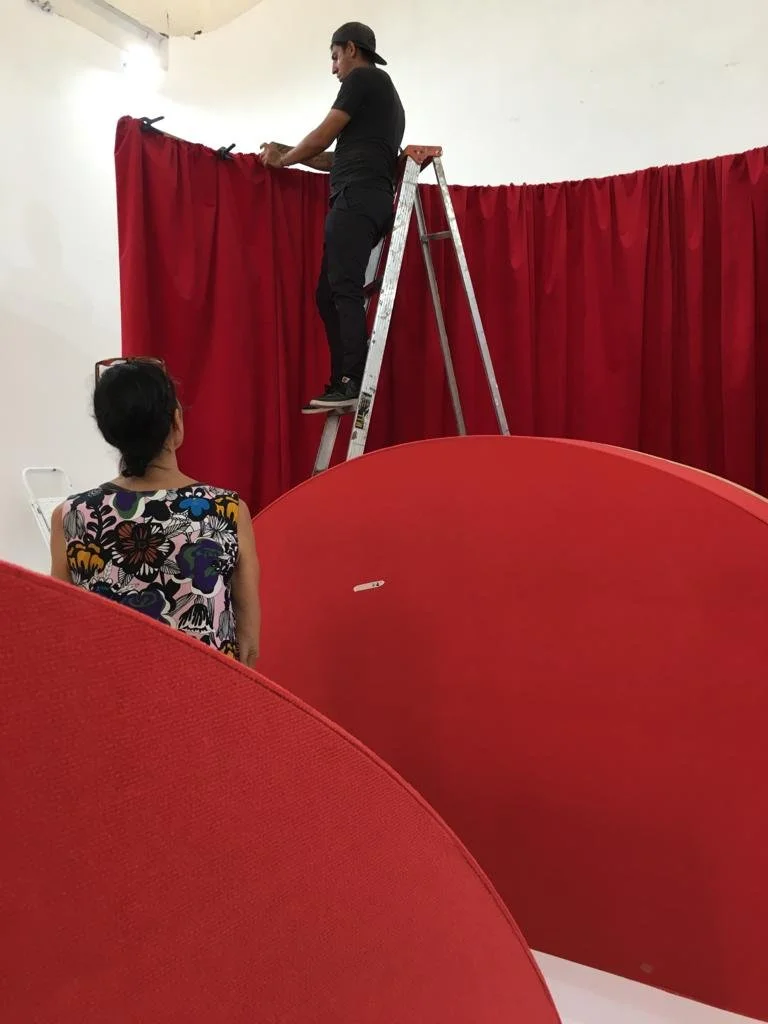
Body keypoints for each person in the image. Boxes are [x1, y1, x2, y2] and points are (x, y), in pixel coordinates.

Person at [49, 357, 261, 667]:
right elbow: (248, 645)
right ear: (175, 422)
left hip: (110, 704)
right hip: (206, 704)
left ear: (110, 432)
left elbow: (61, 635)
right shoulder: (226, 511)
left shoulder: (71, 516)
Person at [260, 22, 406, 411]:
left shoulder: (362, 81)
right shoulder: (386, 98)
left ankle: (349, 382)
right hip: (369, 200)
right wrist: (288, 151)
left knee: (343, 291)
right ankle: (343, 379)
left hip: (355, 200)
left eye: (335, 56)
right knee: (328, 294)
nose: (333, 67)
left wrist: (282, 161)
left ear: (352, 50)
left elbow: (323, 136)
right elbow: (332, 158)